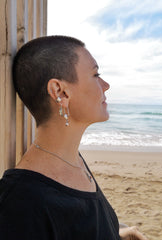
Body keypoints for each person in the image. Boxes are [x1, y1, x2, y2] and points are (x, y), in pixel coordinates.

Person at [0, 36, 148, 240]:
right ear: (60, 92)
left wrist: (118, 234)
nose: (106, 85)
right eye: (96, 74)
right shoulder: (20, 204)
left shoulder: (73, 159)